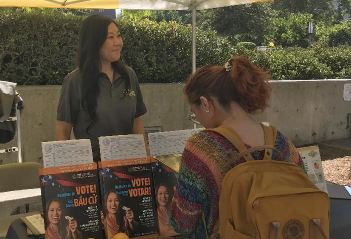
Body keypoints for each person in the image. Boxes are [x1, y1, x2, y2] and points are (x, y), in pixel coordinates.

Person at [169, 56, 304, 239]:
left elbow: (183, 223)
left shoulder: (202, 148)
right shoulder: (282, 143)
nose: (198, 120)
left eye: (195, 112)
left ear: (206, 103)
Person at [55, 14, 147, 161]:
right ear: (94, 42)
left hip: (128, 166)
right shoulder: (75, 81)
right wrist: (67, 171)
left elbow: (137, 122)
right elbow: (63, 130)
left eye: (119, 35)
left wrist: (145, 159)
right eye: (110, 37)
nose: (118, 42)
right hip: (92, 170)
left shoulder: (129, 75)